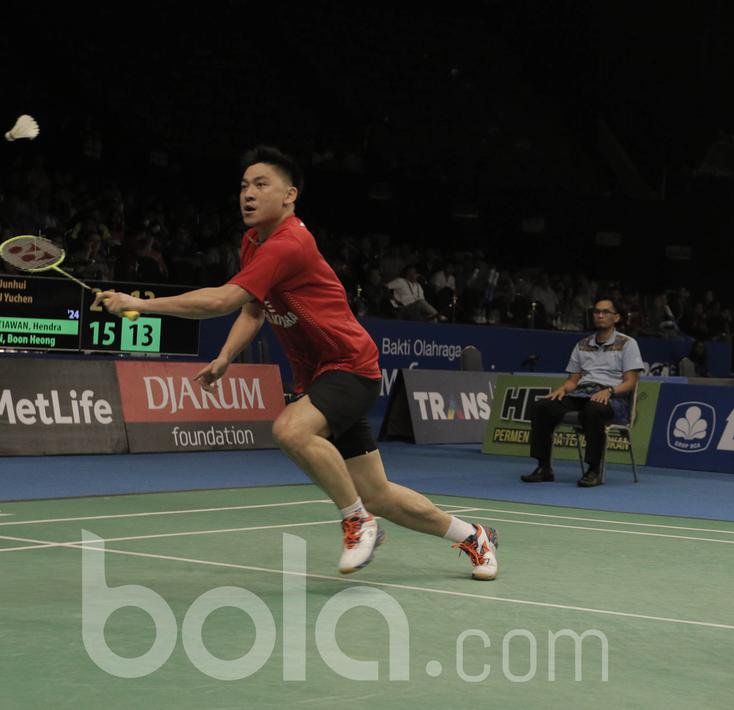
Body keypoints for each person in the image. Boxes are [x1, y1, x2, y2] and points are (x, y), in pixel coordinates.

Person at [96, 146, 498, 580]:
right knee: (378, 493)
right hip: (319, 376)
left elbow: (222, 299)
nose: (247, 194)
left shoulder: (290, 242)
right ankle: (473, 536)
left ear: (289, 195)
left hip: (349, 365)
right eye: (244, 186)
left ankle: (357, 522)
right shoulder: (253, 242)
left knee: (290, 429)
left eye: (261, 184)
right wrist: (226, 356)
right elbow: (253, 308)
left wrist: (141, 302)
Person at [521, 297, 644, 488]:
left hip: (614, 399)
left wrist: (609, 391)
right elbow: (573, 381)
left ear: (616, 317)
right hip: (581, 394)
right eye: (596, 312)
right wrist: (562, 390)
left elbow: (630, 383)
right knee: (542, 406)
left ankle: (593, 469)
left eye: (605, 312)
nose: (600, 315)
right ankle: (544, 467)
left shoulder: (628, 344)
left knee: (593, 410)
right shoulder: (582, 345)